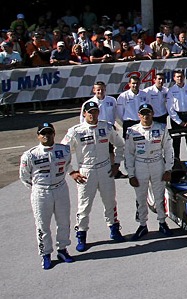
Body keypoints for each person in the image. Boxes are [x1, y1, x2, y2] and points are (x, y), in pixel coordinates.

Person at [65, 100, 126, 251]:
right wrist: (71, 171)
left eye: (95, 112)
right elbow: (62, 152)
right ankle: (81, 235)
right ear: (84, 113)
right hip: (86, 172)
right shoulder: (76, 131)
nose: (92, 115)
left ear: (98, 112)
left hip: (105, 169)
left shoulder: (106, 127)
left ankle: (114, 229)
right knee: (84, 206)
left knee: (110, 202)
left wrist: (117, 164)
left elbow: (120, 145)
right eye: (89, 112)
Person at [20, 123, 75, 269]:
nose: (46, 136)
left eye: (49, 132)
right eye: (43, 133)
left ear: (54, 134)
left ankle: (62, 250)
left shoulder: (64, 150)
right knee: (42, 225)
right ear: (38, 135)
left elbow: (68, 165)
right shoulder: (30, 155)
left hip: (60, 188)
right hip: (41, 192)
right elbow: (24, 177)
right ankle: (45, 254)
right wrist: (37, 189)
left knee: (63, 221)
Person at [125, 104, 173, 240]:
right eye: (143, 113)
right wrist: (131, 174)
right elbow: (128, 154)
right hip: (140, 165)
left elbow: (168, 149)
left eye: (148, 113)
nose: (145, 116)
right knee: (141, 197)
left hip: (157, 163)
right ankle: (142, 225)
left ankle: (162, 222)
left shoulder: (161, 128)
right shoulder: (132, 131)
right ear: (139, 115)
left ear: (153, 113)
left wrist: (168, 168)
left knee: (159, 194)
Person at [167, 69, 187, 163]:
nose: (179, 79)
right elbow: (170, 108)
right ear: (174, 78)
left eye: (181, 77)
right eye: (177, 77)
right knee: (176, 141)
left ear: (184, 77)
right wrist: (179, 121)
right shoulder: (171, 91)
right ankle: (176, 160)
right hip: (177, 118)